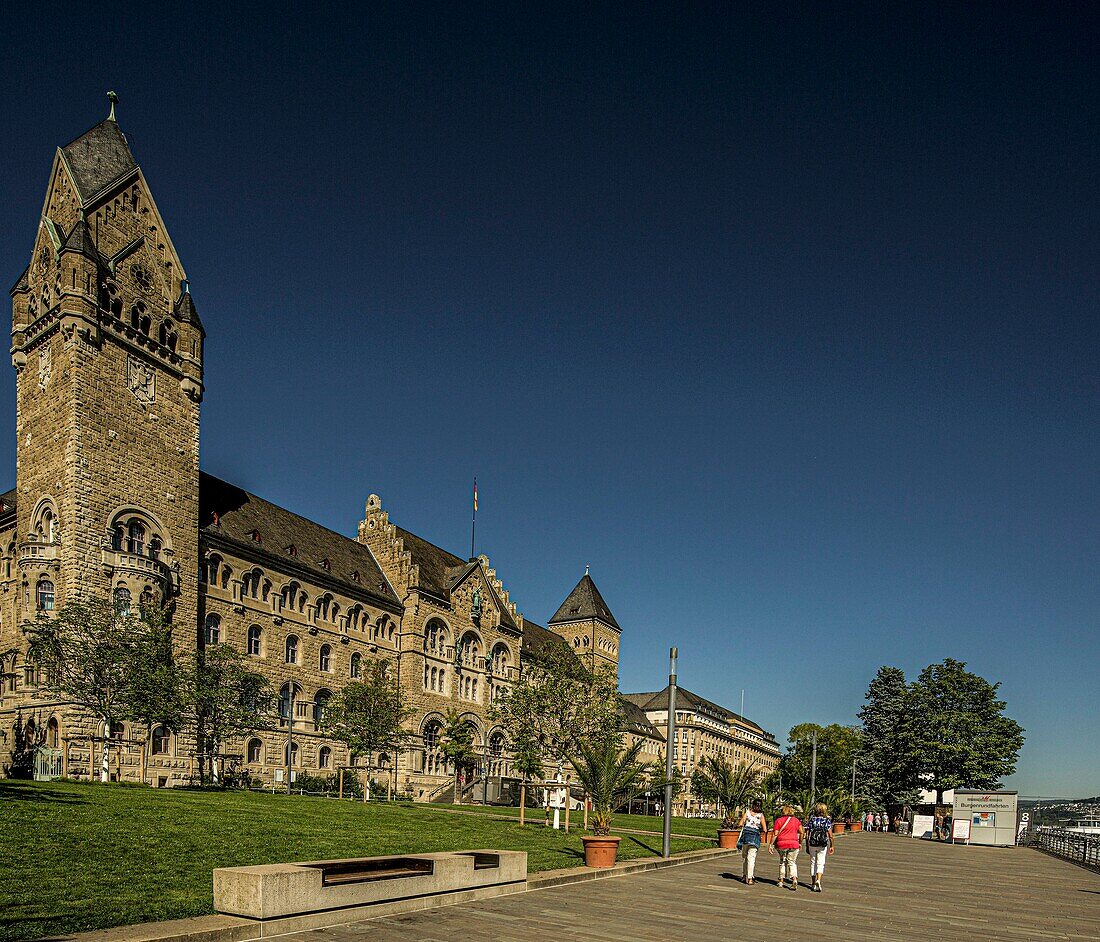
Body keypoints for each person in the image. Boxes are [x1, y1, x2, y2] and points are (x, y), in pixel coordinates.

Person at [770, 805, 805, 890]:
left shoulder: (778, 820)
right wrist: (800, 842)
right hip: (794, 844)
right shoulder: (796, 821)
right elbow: (802, 832)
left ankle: (781, 881)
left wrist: (771, 844)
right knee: (792, 862)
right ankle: (794, 880)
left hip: (781, 844)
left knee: (782, 861)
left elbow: (775, 834)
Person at [736, 798, 768, 885]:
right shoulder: (761, 815)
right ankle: (749, 878)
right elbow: (765, 829)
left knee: (745, 857)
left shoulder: (747, 812)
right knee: (751, 858)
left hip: (746, 837)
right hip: (755, 838)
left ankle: (744, 875)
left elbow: (740, 824)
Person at [805, 802, 835, 892]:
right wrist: (832, 845)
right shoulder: (826, 820)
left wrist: (807, 844)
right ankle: (818, 880)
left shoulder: (811, 820)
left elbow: (807, 834)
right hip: (822, 843)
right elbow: (830, 835)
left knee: (813, 862)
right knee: (821, 863)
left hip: (812, 843)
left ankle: (813, 883)